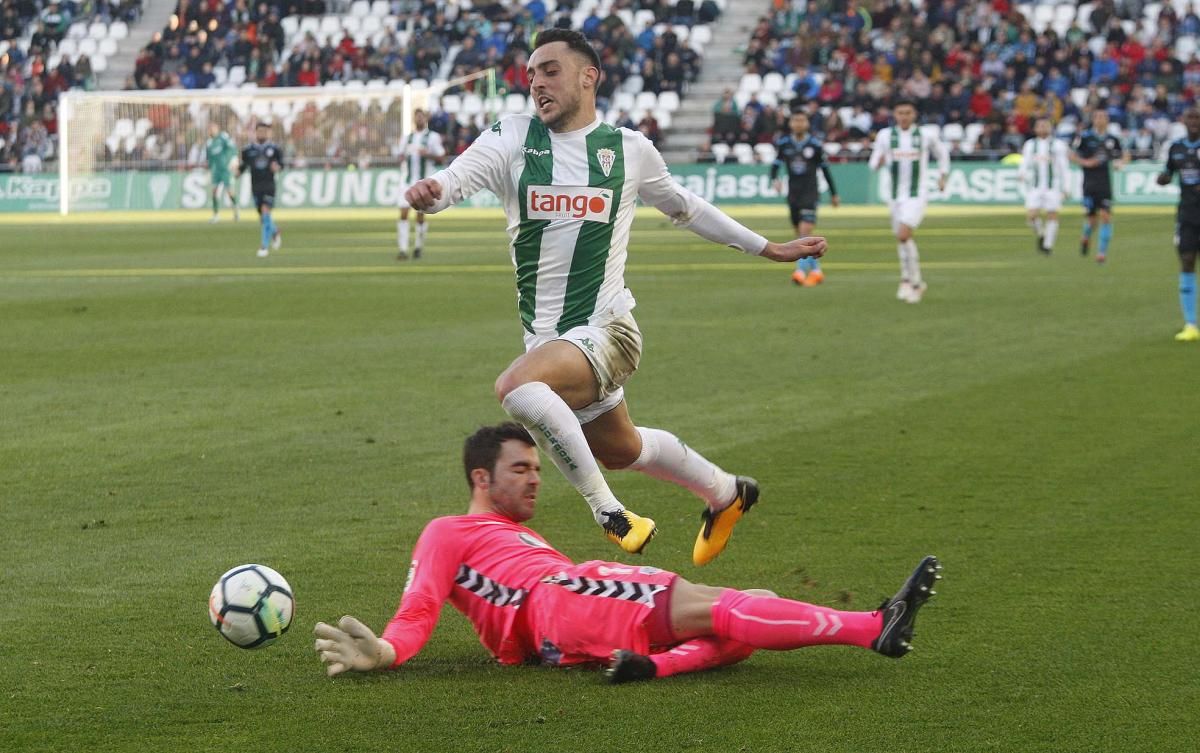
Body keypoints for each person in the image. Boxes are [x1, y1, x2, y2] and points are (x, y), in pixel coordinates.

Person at [403, 29, 827, 563]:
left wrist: (769, 248)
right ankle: (726, 492)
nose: (536, 83)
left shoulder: (628, 151)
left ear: (589, 77)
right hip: (551, 341)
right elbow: (453, 181)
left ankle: (609, 511)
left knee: (515, 387)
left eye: (550, 70)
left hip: (608, 330)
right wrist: (431, 192)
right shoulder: (512, 138)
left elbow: (687, 207)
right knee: (621, 449)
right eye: (531, 74)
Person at [312, 423, 943, 683]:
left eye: (537, 467)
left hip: (566, 612)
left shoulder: (521, 537)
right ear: (481, 478)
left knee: (760, 604)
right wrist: (390, 649)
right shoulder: (447, 532)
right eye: (521, 469)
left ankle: (658, 667)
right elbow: (420, 606)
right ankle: (871, 628)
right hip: (558, 599)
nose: (535, 478)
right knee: (709, 604)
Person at [868, 99, 951, 304]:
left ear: (914, 115)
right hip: (894, 196)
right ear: (894, 115)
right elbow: (873, 163)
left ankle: (916, 283)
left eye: (908, 112)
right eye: (900, 112)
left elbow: (943, 153)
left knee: (904, 235)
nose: (904, 116)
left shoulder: (925, 135)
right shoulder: (886, 136)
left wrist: (943, 175)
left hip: (917, 194)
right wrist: (877, 162)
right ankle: (906, 279)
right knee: (901, 238)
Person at [770, 111, 840, 287]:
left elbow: (825, 169)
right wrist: (775, 180)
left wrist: (833, 193)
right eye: (795, 120)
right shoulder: (784, 143)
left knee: (804, 233)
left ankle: (800, 272)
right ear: (791, 123)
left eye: (802, 120)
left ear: (807, 123)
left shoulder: (815, 145)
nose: (799, 123)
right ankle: (816, 271)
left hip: (810, 194)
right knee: (799, 237)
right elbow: (775, 165)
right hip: (793, 194)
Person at [1156, 108, 1200, 342]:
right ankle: (1191, 324)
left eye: (1197, 118)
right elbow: (1168, 172)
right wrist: (1163, 179)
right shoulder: (1176, 148)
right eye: (1190, 118)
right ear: (1183, 122)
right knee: (1186, 260)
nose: (1194, 122)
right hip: (1187, 214)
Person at [1072, 109, 1127, 263]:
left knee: (1106, 217)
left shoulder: (1112, 139)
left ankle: (1101, 253)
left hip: (1105, 184)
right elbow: (1072, 154)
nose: (1101, 120)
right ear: (1094, 120)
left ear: (1107, 120)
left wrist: (1120, 163)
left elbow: (1123, 155)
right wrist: (1086, 162)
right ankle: (1085, 236)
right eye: (1098, 117)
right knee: (1091, 220)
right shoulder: (1085, 137)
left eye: (1104, 117)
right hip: (1089, 184)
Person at [396, 108, 446, 261]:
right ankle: (403, 249)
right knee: (403, 214)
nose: (419, 119)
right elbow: (400, 156)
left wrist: (428, 154)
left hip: (424, 183)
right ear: (414, 119)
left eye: (421, 117)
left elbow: (442, 157)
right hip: (407, 181)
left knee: (420, 215)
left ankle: (418, 246)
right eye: (416, 117)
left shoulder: (432, 137)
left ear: (425, 119)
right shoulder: (407, 138)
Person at [1019, 118, 1070, 255]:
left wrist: (1066, 187)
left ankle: (1047, 246)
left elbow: (1064, 167)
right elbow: (1025, 161)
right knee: (1031, 216)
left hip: (1053, 187)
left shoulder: (1058, 145)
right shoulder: (1030, 144)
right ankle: (1041, 233)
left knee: (1052, 215)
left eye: (1045, 126)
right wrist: (1021, 173)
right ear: (1035, 129)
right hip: (1035, 187)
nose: (1042, 128)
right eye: (1039, 126)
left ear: (1050, 128)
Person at [237, 120, 284, 258]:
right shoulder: (248, 150)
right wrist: (237, 172)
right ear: (255, 133)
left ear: (268, 133)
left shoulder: (275, 149)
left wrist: (278, 167)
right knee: (264, 218)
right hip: (255, 186)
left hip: (269, 185)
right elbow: (243, 166)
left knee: (265, 212)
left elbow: (281, 164)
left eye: (265, 131)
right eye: (260, 131)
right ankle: (275, 231)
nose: (262, 133)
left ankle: (264, 247)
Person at [205, 122, 239, 223]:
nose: (211, 131)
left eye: (213, 128)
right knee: (214, 192)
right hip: (216, 171)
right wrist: (209, 170)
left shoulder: (223, 137)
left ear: (217, 128)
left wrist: (234, 160)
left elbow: (232, 148)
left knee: (230, 191)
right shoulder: (209, 143)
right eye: (210, 129)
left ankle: (236, 210)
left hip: (226, 169)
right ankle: (216, 215)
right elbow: (209, 159)